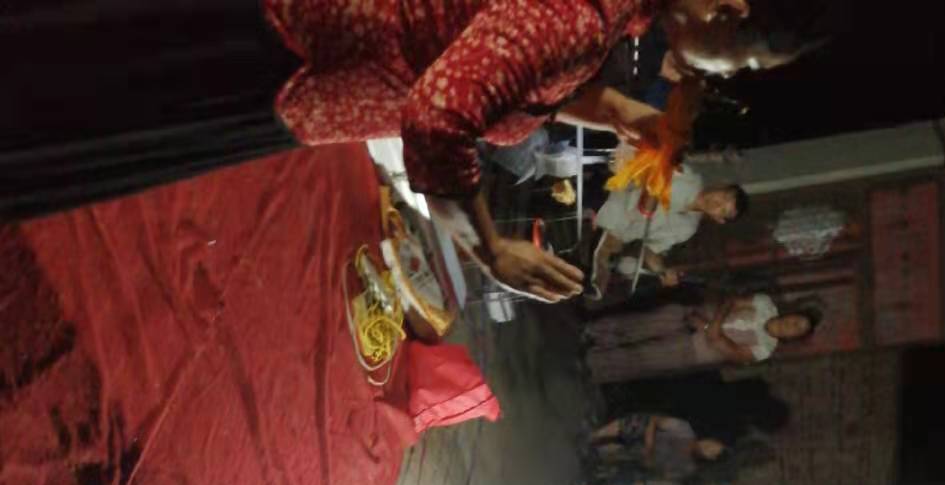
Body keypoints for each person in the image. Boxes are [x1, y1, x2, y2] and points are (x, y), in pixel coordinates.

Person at [1, 0, 813, 237]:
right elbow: (439, 116)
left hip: (307, 47)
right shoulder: (588, 15)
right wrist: (491, 247)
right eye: (740, 66)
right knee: (76, 98)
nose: (718, 78)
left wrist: (619, 113)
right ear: (729, 11)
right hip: (299, 56)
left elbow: (508, 61)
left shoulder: (616, 20)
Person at [585, 294, 819, 383]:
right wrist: (713, 324)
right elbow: (731, 302)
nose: (792, 326)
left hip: (695, 350)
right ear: (792, 313)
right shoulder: (766, 304)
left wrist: (709, 330)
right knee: (640, 325)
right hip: (694, 314)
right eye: (797, 321)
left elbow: (733, 352)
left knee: (643, 357)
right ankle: (592, 333)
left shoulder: (766, 349)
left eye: (797, 330)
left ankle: (592, 363)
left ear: (793, 338)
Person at [590, 167, 749, 296]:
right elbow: (649, 171)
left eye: (723, 211)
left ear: (719, 219)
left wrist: (662, 271)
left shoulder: (688, 229)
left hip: (611, 236)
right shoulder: (687, 176)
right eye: (724, 196)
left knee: (603, 279)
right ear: (720, 186)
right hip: (610, 195)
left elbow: (649, 249)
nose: (717, 204)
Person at [584, 413, 729, 481]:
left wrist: (653, 464)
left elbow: (664, 475)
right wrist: (649, 446)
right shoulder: (684, 429)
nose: (707, 447)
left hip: (641, 458)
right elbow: (654, 420)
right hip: (645, 437)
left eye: (711, 451)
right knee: (639, 423)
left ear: (710, 458)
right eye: (711, 444)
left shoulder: (688, 467)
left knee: (639, 469)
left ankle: (600, 457)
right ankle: (594, 435)